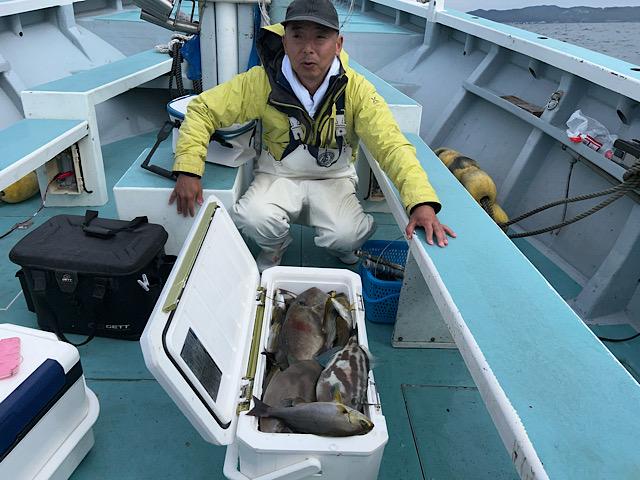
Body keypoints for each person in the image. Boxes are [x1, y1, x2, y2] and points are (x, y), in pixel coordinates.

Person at [170, 0, 455, 271]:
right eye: (297, 36)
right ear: (284, 41)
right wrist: (189, 170)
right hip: (278, 175)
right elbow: (203, 109)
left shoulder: (357, 90)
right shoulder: (260, 81)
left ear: (338, 44)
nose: (308, 49)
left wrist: (421, 202)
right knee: (252, 218)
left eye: (320, 37)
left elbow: (391, 145)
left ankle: (344, 245)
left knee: (347, 235)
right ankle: (275, 246)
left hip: (334, 179)